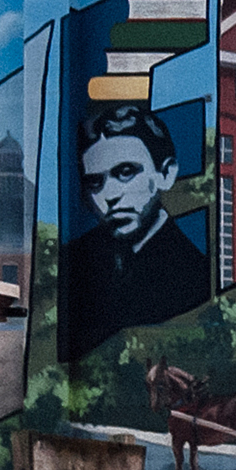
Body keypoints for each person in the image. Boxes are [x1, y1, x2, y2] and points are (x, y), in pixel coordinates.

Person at [62, 103, 209, 357]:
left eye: (126, 172)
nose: (110, 194)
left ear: (165, 173)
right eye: (95, 182)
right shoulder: (73, 261)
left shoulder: (193, 274)